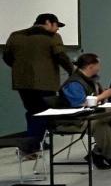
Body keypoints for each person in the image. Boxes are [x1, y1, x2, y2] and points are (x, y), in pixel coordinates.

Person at [2, 13, 74, 154]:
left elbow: (7, 57)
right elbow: (61, 56)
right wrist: (73, 71)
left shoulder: (15, 36)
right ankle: (31, 147)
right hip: (45, 83)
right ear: (48, 22)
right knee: (43, 113)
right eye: (56, 25)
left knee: (31, 111)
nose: (57, 29)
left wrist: (20, 70)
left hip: (22, 82)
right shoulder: (52, 37)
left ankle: (35, 140)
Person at [57, 53, 111, 170]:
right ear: (90, 66)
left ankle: (96, 153)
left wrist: (106, 94)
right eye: (98, 64)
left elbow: (95, 99)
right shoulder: (74, 83)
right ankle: (110, 156)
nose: (100, 67)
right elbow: (80, 104)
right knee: (101, 125)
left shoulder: (91, 80)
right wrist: (103, 95)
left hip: (91, 115)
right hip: (74, 119)